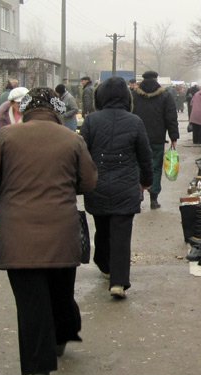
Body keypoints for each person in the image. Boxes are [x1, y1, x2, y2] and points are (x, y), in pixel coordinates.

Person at [0, 87, 98, 375]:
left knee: (31, 302)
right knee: (60, 291)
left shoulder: (8, 136)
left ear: (26, 108)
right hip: (62, 232)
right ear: (57, 110)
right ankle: (60, 337)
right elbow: (88, 181)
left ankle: (39, 369)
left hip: (18, 236)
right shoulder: (72, 139)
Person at [80, 77, 152, 299]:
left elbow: (82, 153)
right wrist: (146, 181)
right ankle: (118, 282)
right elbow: (145, 156)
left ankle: (104, 264)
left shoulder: (91, 121)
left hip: (97, 185)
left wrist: (81, 181)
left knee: (102, 228)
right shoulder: (135, 121)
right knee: (121, 234)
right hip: (126, 186)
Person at [131, 70, 179, 210]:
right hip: (157, 138)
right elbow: (171, 117)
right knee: (156, 167)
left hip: (138, 138)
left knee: (138, 166)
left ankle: (139, 193)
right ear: (156, 79)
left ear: (143, 79)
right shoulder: (165, 95)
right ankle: (154, 198)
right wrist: (173, 137)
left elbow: (128, 115)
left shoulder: (134, 95)